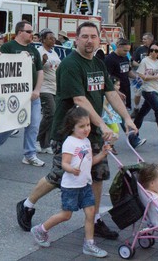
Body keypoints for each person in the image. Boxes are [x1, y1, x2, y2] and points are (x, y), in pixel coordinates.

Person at [16, 22, 138, 241]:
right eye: (84, 36)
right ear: (77, 39)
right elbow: (79, 100)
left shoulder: (99, 64)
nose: (89, 40)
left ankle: (95, 220)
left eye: (93, 36)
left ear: (99, 39)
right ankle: (26, 204)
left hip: (93, 132)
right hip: (69, 133)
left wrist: (127, 119)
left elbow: (111, 93)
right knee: (60, 176)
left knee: (98, 175)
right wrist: (102, 124)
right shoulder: (71, 65)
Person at [30, 105, 109, 258]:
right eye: (81, 126)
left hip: (85, 185)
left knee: (91, 213)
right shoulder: (70, 142)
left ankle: (89, 244)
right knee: (66, 215)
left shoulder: (86, 141)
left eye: (88, 125)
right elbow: (64, 163)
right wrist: (71, 169)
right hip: (71, 187)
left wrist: (103, 153)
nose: (86, 129)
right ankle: (40, 229)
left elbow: (90, 161)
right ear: (72, 127)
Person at [0, 21, 45, 166]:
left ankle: (30, 154)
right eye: (29, 32)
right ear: (19, 32)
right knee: (11, 125)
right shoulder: (8, 47)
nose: (32, 35)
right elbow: (0, 67)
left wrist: (37, 89)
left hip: (31, 94)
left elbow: (40, 71)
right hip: (14, 94)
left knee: (33, 124)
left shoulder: (33, 50)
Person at [36, 29, 61, 154]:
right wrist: (43, 61)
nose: (53, 40)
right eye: (50, 38)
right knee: (50, 113)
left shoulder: (54, 53)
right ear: (43, 40)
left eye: (54, 38)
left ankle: (45, 144)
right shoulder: (40, 52)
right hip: (44, 87)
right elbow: (35, 68)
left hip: (55, 87)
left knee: (54, 115)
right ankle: (37, 139)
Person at [131, 32, 154, 115]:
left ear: (150, 39)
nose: (143, 40)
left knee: (153, 94)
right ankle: (136, 108)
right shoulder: (140, 49)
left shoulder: (155, 48)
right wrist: (141, 65)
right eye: (143, 39)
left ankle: (157, 111)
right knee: (137, 93)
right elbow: (133, 61)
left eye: (145, 39)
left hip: (152, 76)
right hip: (140, 75)